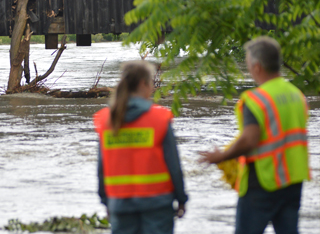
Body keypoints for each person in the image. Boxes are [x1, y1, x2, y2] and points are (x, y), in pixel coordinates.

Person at [200, 36, 310, 234]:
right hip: (293, 179)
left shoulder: (255, 99)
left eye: (249, 64)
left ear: (257, 67)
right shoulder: (297, 95)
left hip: (263, 181)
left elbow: (249, 140)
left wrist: (222, 156)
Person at [93, 60, 188, 234]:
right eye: (151, 83)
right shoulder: (159, 118)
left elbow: (101, 168)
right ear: (143, 83)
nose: (152, 88)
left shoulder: (106, 120)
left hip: (120, 203)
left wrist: (106, 201)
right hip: (157, 203)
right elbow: (173, 165)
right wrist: (181, 198)